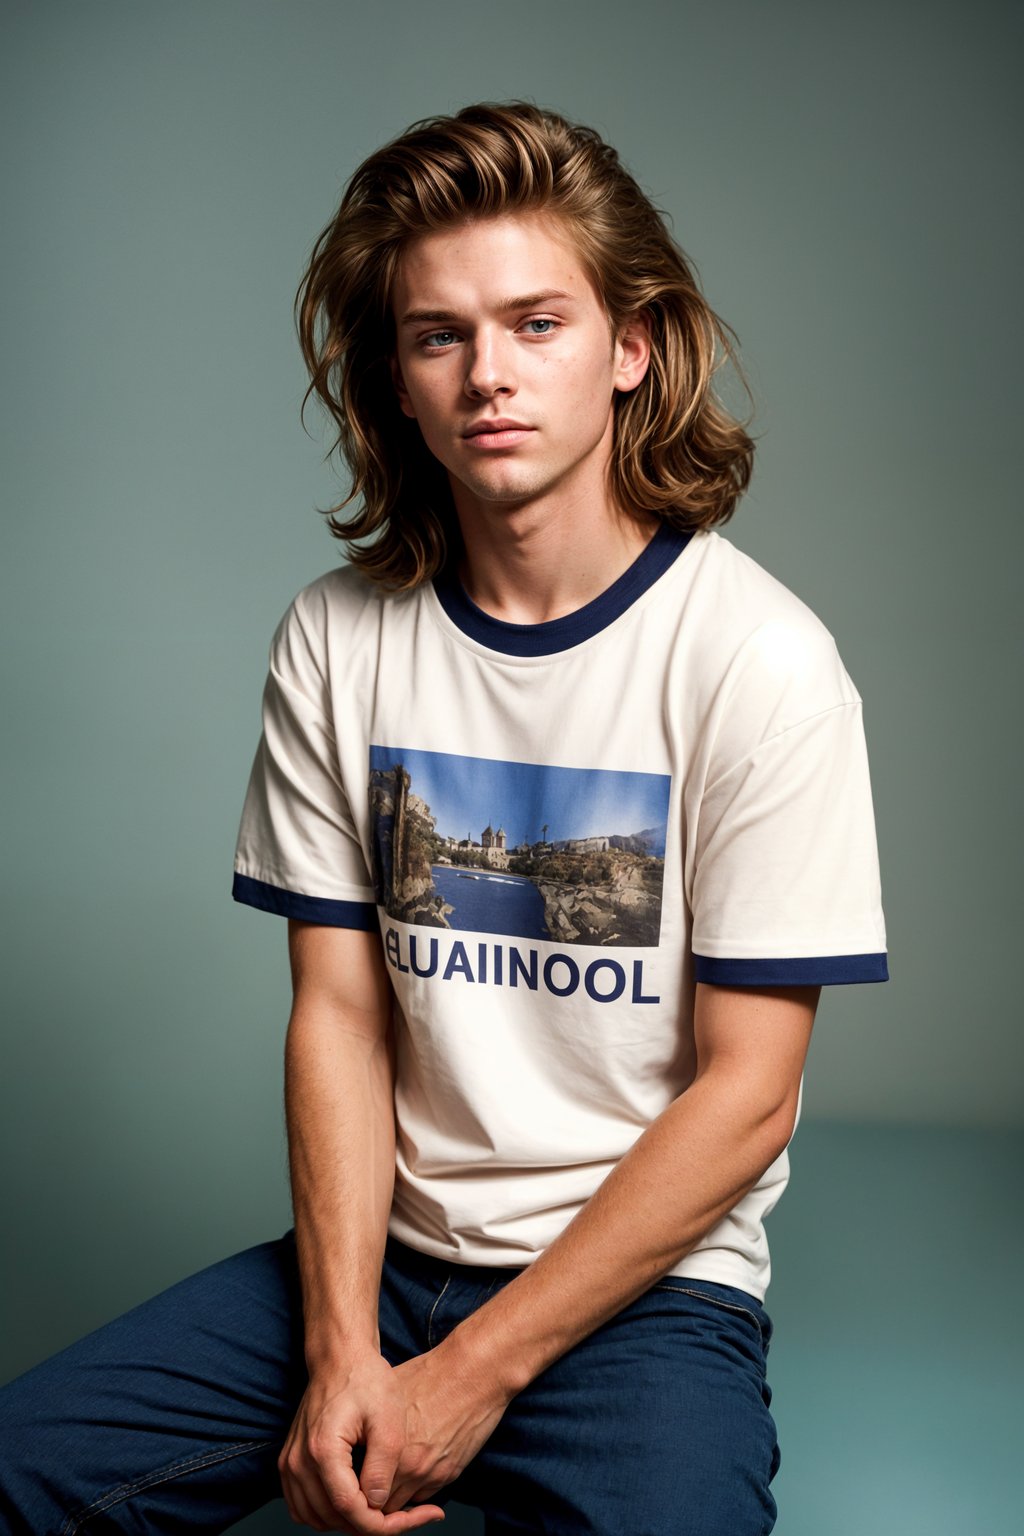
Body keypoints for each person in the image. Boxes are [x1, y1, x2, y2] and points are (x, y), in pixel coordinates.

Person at [0, 101, 888, 1535]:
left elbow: (750, 1095)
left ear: (630, 348)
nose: (489, 375)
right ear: (395, 381)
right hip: (381, 1262)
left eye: (537, 323)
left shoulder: (761, 662)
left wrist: (470, 1375)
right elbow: (339, 1018)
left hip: (645, 1295)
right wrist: (347, 1347)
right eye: (438, 336)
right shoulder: (337, 640)